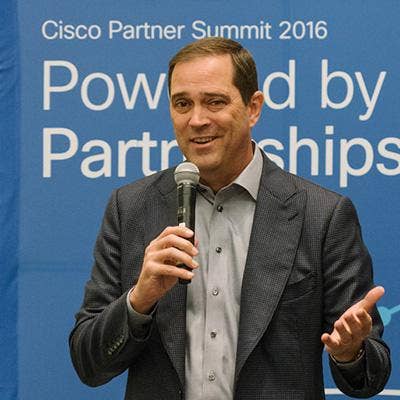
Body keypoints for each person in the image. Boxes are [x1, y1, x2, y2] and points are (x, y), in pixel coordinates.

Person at [69, 37, 391, 399]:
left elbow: (371, 374)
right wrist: (139, 300)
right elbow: (88, 363)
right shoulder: (131, 208)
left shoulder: (322, 215)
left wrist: (350, 353)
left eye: (215, 102)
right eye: (182, 103)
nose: (197, 120)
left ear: (253, 108)